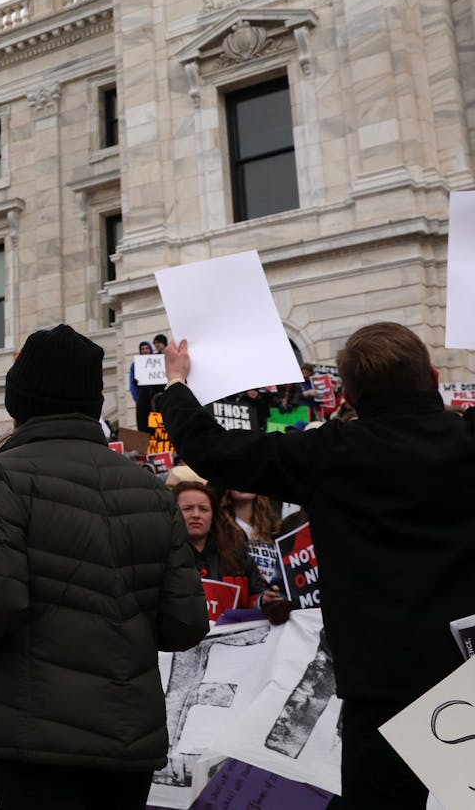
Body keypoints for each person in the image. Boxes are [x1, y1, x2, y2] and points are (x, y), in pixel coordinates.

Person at [157, 324, 475, 809]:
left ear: (348, 392)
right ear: (432, 376)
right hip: (463, 669)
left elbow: (215, 451)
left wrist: (177, 385)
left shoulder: (327, 454)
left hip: (378, 679)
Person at [0, 324, 209, 809]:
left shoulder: (3, 475)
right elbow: (185, 623)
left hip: (36, 738)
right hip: (126, 738)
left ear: (21, 398)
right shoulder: (148, 489)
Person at [173, 481, 278, 612]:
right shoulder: (162, 559)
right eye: (187, 508)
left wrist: (263, 601)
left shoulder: (238, 557)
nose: (196, 515)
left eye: (203, 509)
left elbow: (256, 593)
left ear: (213, 515)